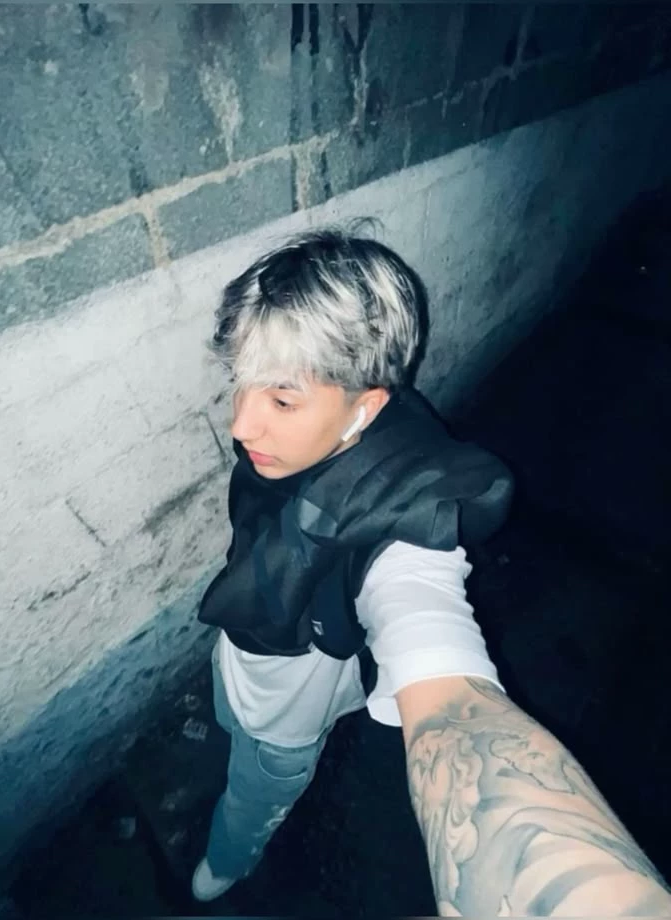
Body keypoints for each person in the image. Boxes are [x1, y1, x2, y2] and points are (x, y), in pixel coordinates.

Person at [190, 227, 671, 915]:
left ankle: (232, 856)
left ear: (366, 407)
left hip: (283, 719)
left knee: (255, 789)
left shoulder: (404, 526)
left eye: (281, 400)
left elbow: (444, 678)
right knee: (227, 716)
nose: (242, 425)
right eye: (241, 385)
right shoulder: (323, 429)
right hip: (242, 652)